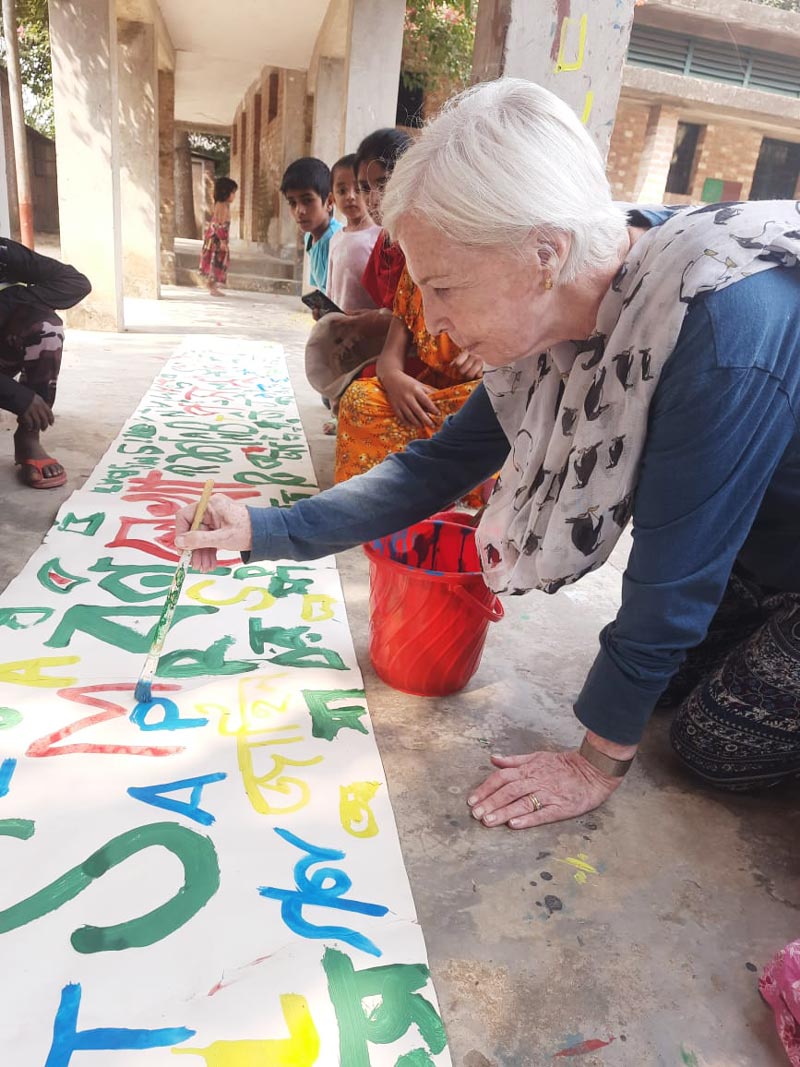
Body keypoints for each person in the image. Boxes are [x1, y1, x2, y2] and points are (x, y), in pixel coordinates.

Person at [173, 79, 800, 832]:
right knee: (655, 685)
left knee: (710, 740)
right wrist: (263, 529)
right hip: (760, 552)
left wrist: (595, 761)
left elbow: (675, 577)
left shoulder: (716, 329)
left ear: (543, 254)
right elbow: (435, 466)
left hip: (763, 550)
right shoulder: (573, 303)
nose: (430, 320)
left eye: (443, 287)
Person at [333, 264, 484, 494]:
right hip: (430, 399)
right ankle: (362, 504)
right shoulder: (416, 266)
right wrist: (394, 378)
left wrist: (494, 356)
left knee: (495, 418)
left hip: (482, 398)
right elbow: (390, 355)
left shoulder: (504, 264)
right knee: (360, 399)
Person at [304, 129, 412, 410]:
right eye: (366, 187)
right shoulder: (385, 242)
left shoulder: (421, 243)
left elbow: (411, 321)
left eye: (384, 183)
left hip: (419, 351)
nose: (374, 197)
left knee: (360, 396)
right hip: (390, 345)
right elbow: (389, 309)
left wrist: (368, 323)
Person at [0, 237, 90, 489]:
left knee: (46, 328)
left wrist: (11, 299)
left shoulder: (5, 254)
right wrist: (16, 395)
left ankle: (28, 437)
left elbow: (76, 283)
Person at [326, 154, 381, 314]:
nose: (350, 196)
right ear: (332, 199)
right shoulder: (336, 238)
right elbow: (330, 289)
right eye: (342, 190)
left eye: (358, 189)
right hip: (340, 325)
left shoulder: (380, 237)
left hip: (370, 327)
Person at [281, 157, 341, 297]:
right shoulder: (310, 236)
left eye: (307, 200)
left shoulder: (336, 241)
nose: (299, 211)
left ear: (329, 202)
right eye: (292, 203)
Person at [199, 176, 238, 296]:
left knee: (217, 261)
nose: (234, 195)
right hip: (217, 239)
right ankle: (212, 286)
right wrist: (222, 241)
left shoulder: (222, 205)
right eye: (233, 192)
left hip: (216, 238)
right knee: (216, 261)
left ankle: (213, 285)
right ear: (225, 192)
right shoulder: (222, 206)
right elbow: (219, 225)